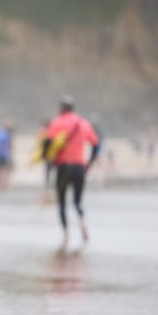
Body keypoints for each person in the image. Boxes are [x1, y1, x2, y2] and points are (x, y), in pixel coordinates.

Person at [43, 95, 100, 251]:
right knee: (77, 201)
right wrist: (91, 162)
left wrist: (46, 158)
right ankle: (83, 228)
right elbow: (96, 143)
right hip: (80, 167)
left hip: (63, 166)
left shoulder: (57, 122)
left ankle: (66, 236)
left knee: (61, 201)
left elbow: (48, 142)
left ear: (62, 107)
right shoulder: (83, 123)